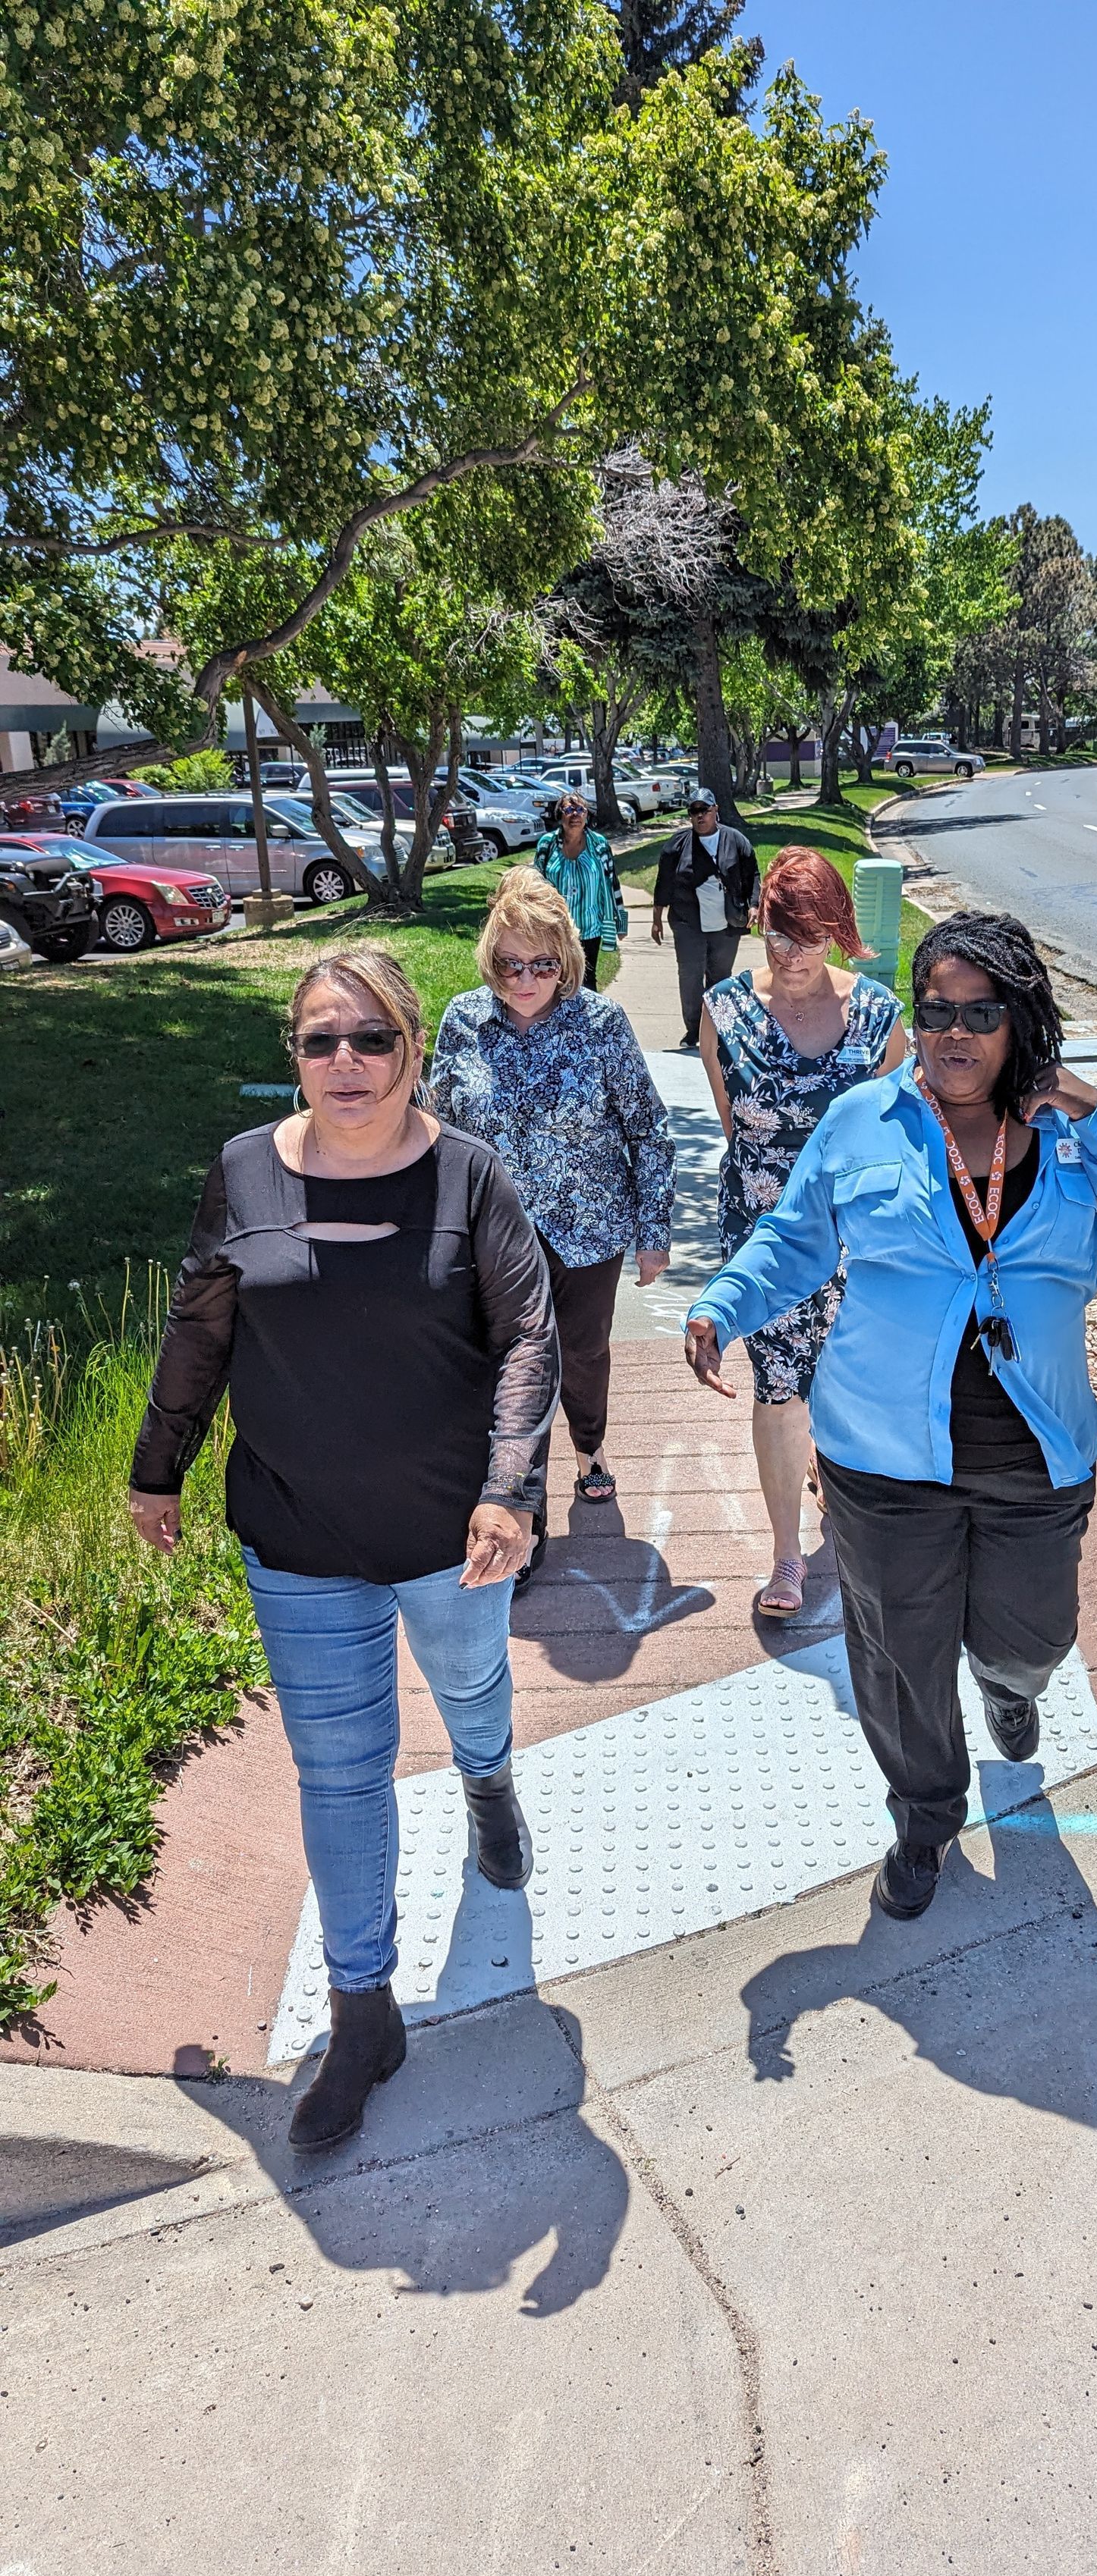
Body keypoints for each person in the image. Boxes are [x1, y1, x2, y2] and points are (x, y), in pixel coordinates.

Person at [129, 949, 558, 2152]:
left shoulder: (469, 1178)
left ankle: (488, 1781)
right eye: (321, 1042)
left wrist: (509, 1486)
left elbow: (527, 1330)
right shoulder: (244, 1172)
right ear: (295, 1057)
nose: (346, 1063)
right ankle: (365, 2010)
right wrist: (156, 1465)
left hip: (450, 1529)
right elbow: (198, 1322)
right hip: (297, 1527)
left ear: (413, 1046)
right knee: (340, 1768)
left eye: (370, 1038)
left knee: (472, 1687)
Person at [684, 910, 1097, 1921]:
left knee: (1034, 1635)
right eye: (938, 1011)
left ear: (1019, 1019)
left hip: (1034, 1455)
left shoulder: (1069, 1131)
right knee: (898, 1655)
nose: (955, 1033)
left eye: (980, 1012)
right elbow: (794, 1239)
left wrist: (1093, 1108)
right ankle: (924, 1816)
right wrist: (720, 1305)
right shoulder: (867, 1118)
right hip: (881, 1456)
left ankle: (1009, 1680)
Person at [432, 868, 674, 1568]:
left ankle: (590, 1442)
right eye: (512, 963)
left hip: (588, 1228)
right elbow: (436, 1125)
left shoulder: (601, 1023)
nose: (527, 977)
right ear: (491, 959)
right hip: (494, 1235)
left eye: (543, 963)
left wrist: (651, 1233)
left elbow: (647, 1129)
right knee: (511, 1366)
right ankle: (521, 1513)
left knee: (584, 1353)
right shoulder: (463, 1021)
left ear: (566, 959)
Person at [699, 847, 906, 1615]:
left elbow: (896, 1141)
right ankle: (788, 1555)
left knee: (850, 1389)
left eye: (811, 936)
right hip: (767, 1240)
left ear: (838, 932)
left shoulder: (882, 1018)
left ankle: (848, 1512)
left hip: (859, 1242)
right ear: (758, 926)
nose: (792, 954)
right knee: (780, 1386)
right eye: (779, 935)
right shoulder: (723, 1008)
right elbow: (735, 1129)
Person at [652, 788, 759, 1045]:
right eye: (694, 811)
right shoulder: (677, 846)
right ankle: (694, 1030)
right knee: (690, 976)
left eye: (705, 810)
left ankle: (719, 1029)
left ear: (716, 811)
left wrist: (754, 905)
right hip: (688, 922)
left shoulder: (736, 840)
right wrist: (656, 919)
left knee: (720, 976)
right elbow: (663, 882)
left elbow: (752, 874)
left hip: (727, 924)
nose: (700, 816)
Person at [533, 790, 626, 991]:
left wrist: (621, 921)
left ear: (586, 815)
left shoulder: (599, 844)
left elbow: (612, 882)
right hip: (556, 929)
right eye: (569, 809)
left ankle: (586, 1022)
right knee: (556, 981)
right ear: (560, 815)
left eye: (580, 810)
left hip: (590, 926)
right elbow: (536, 885)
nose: (575, 815)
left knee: (587, 980)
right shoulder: (547, 845)